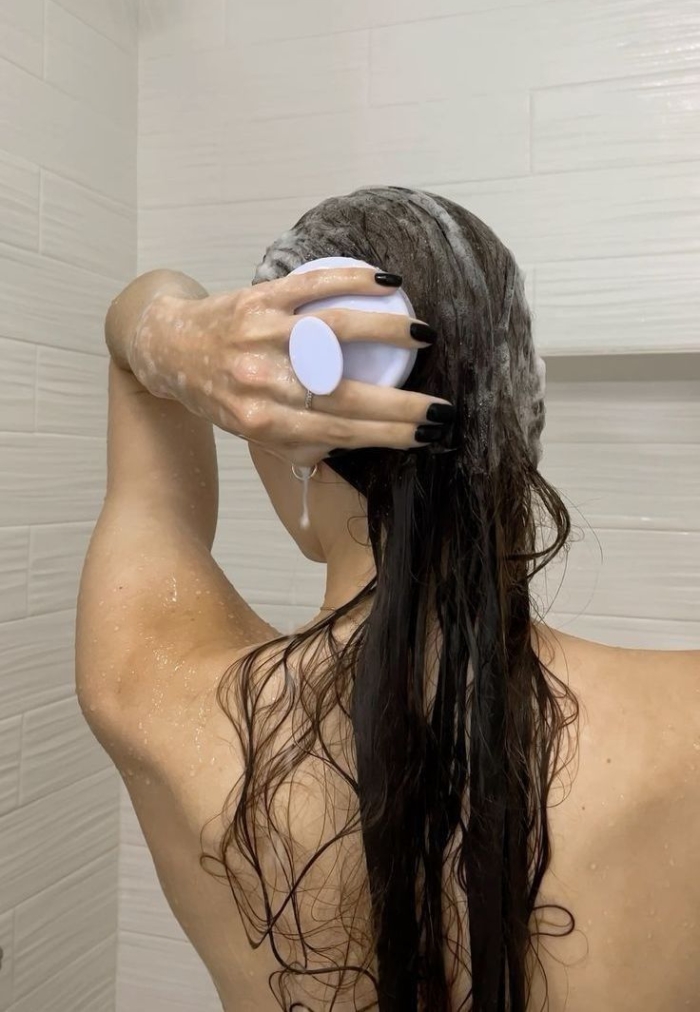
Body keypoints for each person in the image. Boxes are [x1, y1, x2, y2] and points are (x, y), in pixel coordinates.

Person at [77, 186, 699, 1012]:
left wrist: (171, 334)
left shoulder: (153, 695)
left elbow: (136, 349)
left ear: (275, 421)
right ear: (523, 410)